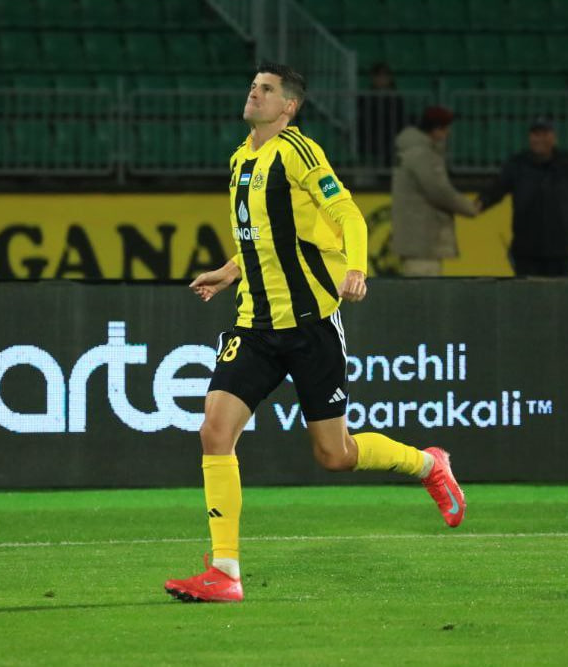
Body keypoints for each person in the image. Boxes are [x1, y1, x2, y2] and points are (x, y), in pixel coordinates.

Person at [164, 63, 467, 604]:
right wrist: (230, 271)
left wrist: (357, 268)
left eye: (266, 89)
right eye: (252, 85)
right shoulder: (239, 160)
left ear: (288, 106)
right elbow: (264, 238)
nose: (254, 93)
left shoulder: (298, 152)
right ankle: (226, 572)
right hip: (256, 324)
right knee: (215, 432)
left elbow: (348, 214)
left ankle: (428, 464)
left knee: (335, 454)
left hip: (310, 326)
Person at [475, 116, 568, 277]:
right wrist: (481, 203)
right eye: (536, 134)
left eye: (545, 134)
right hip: (526, 251)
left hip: (560, 250)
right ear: (529, 137)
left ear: (554, 137)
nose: (540, 139)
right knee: (526, 293)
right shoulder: (517, 164)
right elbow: (497, 188)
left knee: (559, 292)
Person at [389, 106, 480, 277]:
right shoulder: (422, 154)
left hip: (416, 240)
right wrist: (470, 207)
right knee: (423, 288)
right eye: (446, 128)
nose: (448, 134)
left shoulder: (411, 150)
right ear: (436, 129)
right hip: (422, 240)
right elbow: (439, 191)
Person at [356, 62, 406, 169]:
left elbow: (398, 118)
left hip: (391, 135)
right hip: (372, 135)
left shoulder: (396, 97)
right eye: (378, 76)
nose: (381, 80)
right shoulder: (366, 97)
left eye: (384, 76)